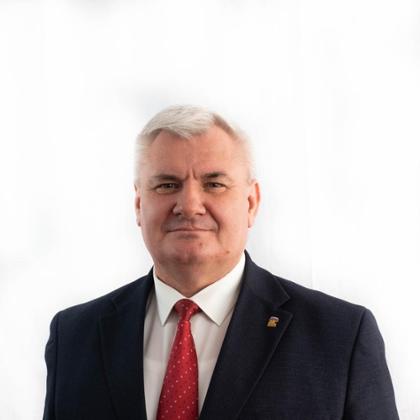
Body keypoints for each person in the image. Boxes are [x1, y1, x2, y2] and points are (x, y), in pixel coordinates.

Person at [43, 105, 399, 419]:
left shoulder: (340, 338)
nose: (189, 205)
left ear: (251, 202)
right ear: (139, 204)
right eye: (167, 185)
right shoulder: (74, 337)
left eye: (214, 184)